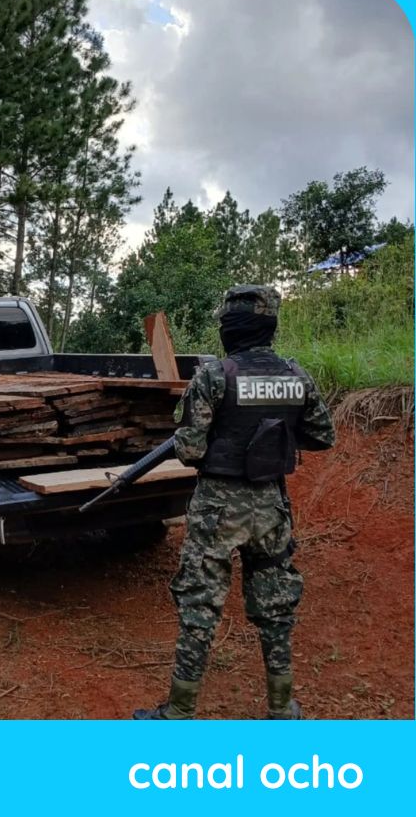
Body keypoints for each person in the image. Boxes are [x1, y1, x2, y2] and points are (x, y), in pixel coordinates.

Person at [134, 285, 335, 720]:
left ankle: (180, 713)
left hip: (217, 510)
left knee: (199, 605)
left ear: (229, 328)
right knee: (276, 607)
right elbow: (323, 435)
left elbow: (188, 449)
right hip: (271, 507)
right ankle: (282, 708)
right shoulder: (295, 376)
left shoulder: (214, 375)